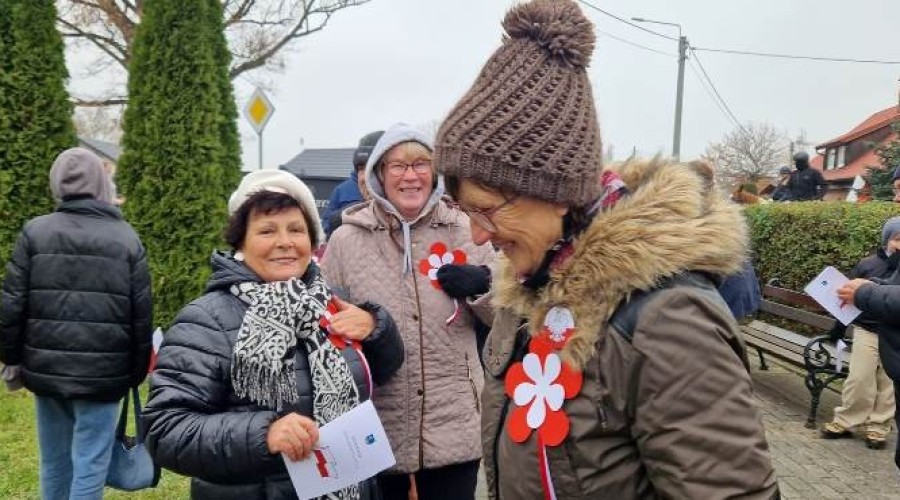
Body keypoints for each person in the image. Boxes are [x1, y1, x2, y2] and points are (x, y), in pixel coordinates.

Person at [432, 1, 778, 498]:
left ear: (555, 194)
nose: (479, 236)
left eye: (487, 209)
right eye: (467, 212)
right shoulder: (532, 287)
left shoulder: (667, 318)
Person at [142, 170, 403, 499]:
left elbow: (384, 370)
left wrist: (377, 328)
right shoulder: (206, 321)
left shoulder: (329, 305)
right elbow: (164, 429)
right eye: (267, 231)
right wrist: (263, 434)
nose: (285, 242)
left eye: (296, 229)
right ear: (240, 242)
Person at [321, 123, 495, 500]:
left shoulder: (465, 229)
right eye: (398, 166)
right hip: (377, 422)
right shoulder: (346, 240)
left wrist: (483, 288)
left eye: (420, 163)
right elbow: (324, 325)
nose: (410, 175)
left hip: (454, 420)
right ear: (379, 174)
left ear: (435, 172)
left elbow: (505, 320)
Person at [0, 147, 153, 500]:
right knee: (91, 465)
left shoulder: (34, 233)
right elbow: (140, 316)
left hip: (46, 372)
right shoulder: (127, 239)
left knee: (54, 462)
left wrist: (12, 360)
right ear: (102, 183)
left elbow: (11, 305)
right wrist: (134, 373)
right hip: (104, 377)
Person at [820, 217, 900, 448]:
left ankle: (878, 426)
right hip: (867, 329)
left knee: (887, 385)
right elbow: (846, 297)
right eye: (896, 239)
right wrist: (838, 328)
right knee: (859, 378)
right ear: (887, 240)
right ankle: (847, 419)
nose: (899, 244)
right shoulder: (868, 264)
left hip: (892, 331)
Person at [323, 131, 384, 238]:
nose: (366, 177)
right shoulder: (341, 190)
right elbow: (326, 227)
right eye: (361, 168)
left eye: (373, 167)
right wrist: (342, 217)